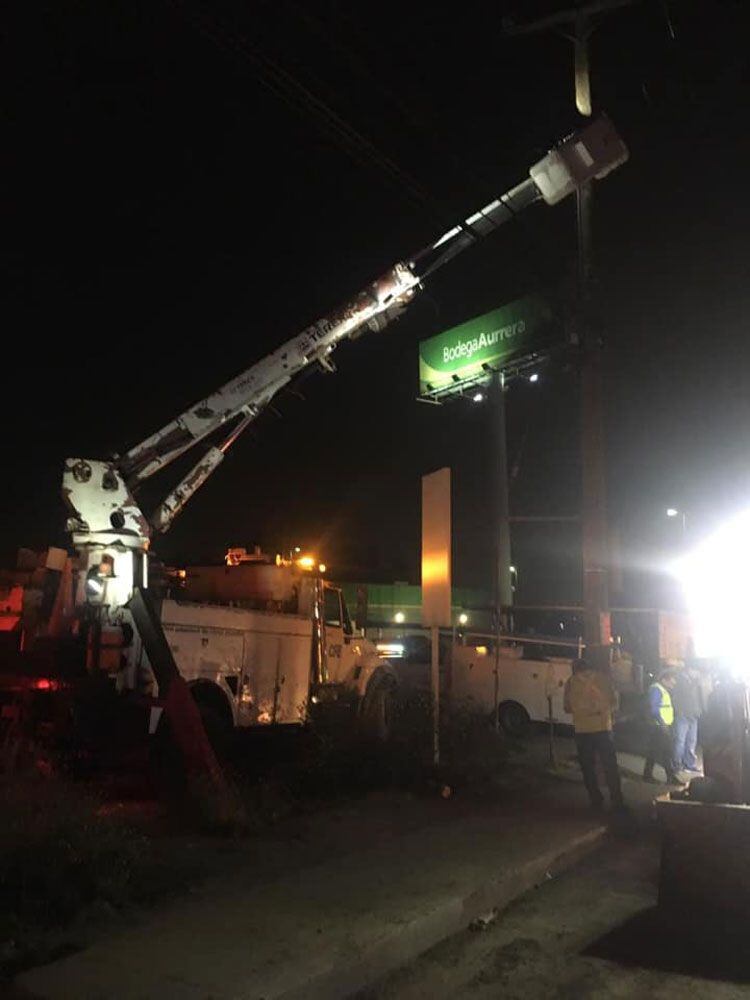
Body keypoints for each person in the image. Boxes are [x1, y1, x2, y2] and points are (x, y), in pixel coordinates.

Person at [563, 657, 625, 812]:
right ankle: (617, 799)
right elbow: (614, 701)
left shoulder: (571, 682)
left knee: (587, 767)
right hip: (603, 727)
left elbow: (567, 708)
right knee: (610, 765)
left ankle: (596, 799)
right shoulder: (603, 679)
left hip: (583, 730)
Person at [644, 670, 680, 784]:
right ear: (664, 680)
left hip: (661, 725)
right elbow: (655, 709)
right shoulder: (657, 689)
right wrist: (662, 723)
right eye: (672, 681)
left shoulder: (661, 689)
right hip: (660, 726)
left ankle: (649, 775)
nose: (674, 683)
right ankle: (670, 777)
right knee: (665, 751)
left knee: (657, 751)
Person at [671, 665, 704, 774]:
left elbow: (697, 698)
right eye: (696, 670)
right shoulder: (679, 679)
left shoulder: (693, 681)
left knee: (691, 741)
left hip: (693, 715)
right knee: (680, 741)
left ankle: (689, 764)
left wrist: (699, 710)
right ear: (690, 669)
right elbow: (680, 695)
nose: (697, 673)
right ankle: (677, 764)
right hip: (683, 715)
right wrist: (679, 711)